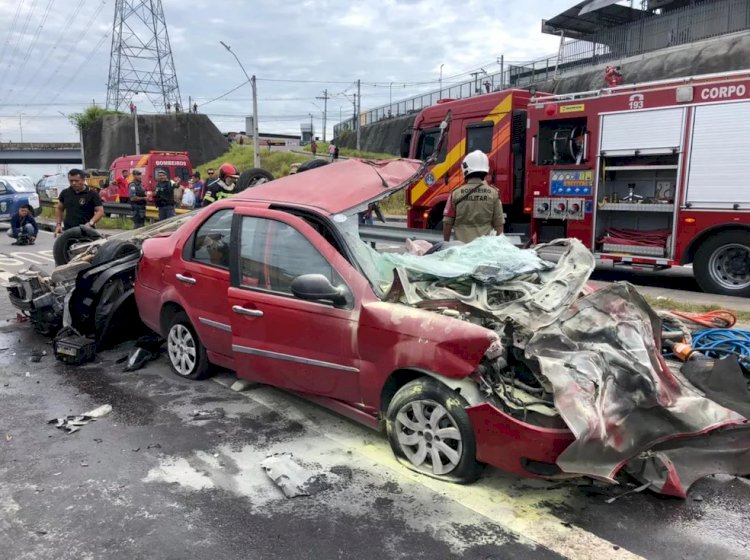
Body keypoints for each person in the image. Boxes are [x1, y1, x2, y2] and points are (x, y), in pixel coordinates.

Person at [442, 150, 504, 243]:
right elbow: (499, 224)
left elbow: (447, 223)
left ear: (465, 169)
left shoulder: (455, 193)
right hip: (485, 248)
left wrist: (446, 244)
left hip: (461, 248)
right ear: (485, 170)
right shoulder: (493, 193)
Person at [55, 169, 104, 236]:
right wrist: (58, 224)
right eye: (71, 181)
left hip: (86, 230)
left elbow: (100, 211)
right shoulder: (65, 193)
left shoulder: (92, 194)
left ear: (83, 180)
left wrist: (91, 223)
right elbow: (59, 208)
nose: (74, 183)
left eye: (76, 181)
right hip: (69, 231)